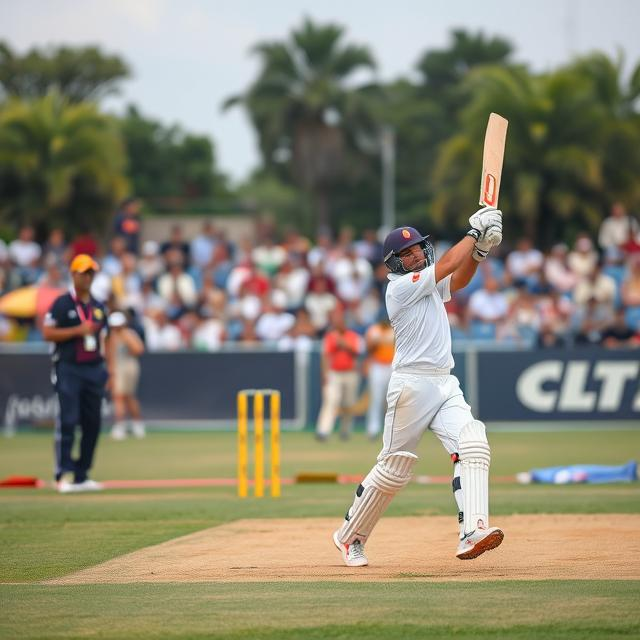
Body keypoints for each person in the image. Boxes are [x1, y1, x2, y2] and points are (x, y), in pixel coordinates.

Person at [332, 206, 505, 567]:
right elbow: (446, 267)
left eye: (417, 249)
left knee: (473, 441)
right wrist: (473, 233)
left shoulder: (429, 279)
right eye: (405, 253)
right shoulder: (399, 289)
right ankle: (350, 538)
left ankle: (472, 531)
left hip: (445, 382)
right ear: (393, 263)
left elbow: (458, 279)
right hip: (411, 385)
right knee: (395, 468)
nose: (414, 255)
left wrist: (481, 251)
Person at [42, 254, 109, 493]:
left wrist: (106, 369)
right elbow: (48, 333)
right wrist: (77, 330)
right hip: (68, 368)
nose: (88, 277)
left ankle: (82, 474)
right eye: (84, 273)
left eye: (91, 273)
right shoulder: (62, 303)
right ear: (73, 275)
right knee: (68, 420)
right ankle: (62, 475)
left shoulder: (99, 307)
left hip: (94, 368)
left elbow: (104, 338)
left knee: (93, 423)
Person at [315, 307, 364, 441]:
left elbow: (357, 353)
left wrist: (344, 344)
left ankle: (345, 430)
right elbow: (325, 356)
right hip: (334, 373)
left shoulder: (353, 337)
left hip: (350, 373)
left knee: (348, 404)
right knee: (331, 401)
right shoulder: (330, 337)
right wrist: (325, 374)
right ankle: (323, 431)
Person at [107, 311, 146, 440]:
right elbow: (109, 356)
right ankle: (122, 426)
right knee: (119, 397)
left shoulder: (129, 334)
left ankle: (135, 425)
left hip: (129, 366)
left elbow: (139, 350)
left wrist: (125, 338)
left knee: (128, 397)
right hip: (117, 368)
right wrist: (111, 372)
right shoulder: (109, 336)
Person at [364, 318, 394, 439]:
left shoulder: (394, 329)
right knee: (376, 398)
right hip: (377, 365)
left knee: (392, 399)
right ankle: (373, 429)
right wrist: (376, 341)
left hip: (392, 365)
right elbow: (368, 349)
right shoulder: (374, 330)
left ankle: (392, 430)